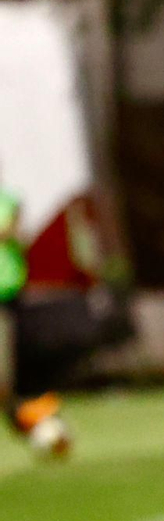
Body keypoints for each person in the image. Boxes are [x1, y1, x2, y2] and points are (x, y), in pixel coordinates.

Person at [0, 181, 69, 457]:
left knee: (8, 376)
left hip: (6, 299)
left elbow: (13, 231)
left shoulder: (7, 200)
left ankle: (36, 422)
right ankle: (35, 423)